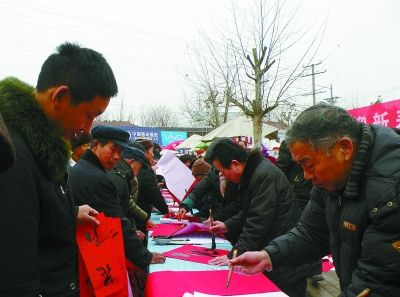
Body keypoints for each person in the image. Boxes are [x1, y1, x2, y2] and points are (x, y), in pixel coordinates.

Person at [230, 104, 400, 297]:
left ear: (344, 148)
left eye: (308, 164)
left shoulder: (392, 187)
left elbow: (378, 283)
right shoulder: (332, 179)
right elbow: (311, 232)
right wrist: (269, 256)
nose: (306, 176)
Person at [0, 42, 117, 296]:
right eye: (88, 114)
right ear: (59, 97)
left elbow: (33, 210)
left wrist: (71, 211)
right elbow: (14, 275)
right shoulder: (10, 156)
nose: (88, 128)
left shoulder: (45, 144)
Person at [206, 138, 311, 297]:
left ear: (235, 164)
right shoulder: (253, 173)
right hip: (276, 248)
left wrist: (234, 255)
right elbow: (248, 211)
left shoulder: (262, 175)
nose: (222, 175)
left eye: (222, 171)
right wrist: (227, 225)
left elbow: (257, 221)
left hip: (285, 257)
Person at [69, 125, 166, 270]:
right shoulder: (97, 177)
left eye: (120, 152)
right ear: (95, 145)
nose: (116, 157)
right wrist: (144, 256)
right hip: (90, 257)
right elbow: (117, 221)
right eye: (113, 149)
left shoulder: (84, 168)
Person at [276, 139, 323, 284]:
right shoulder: (288, 143)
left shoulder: (317, 140)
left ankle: (313, 269)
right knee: (302, 230)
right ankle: (305, 269)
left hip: (314, 189)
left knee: (312, 229)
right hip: (296, 193)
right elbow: (281, 168)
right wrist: (285, 192)